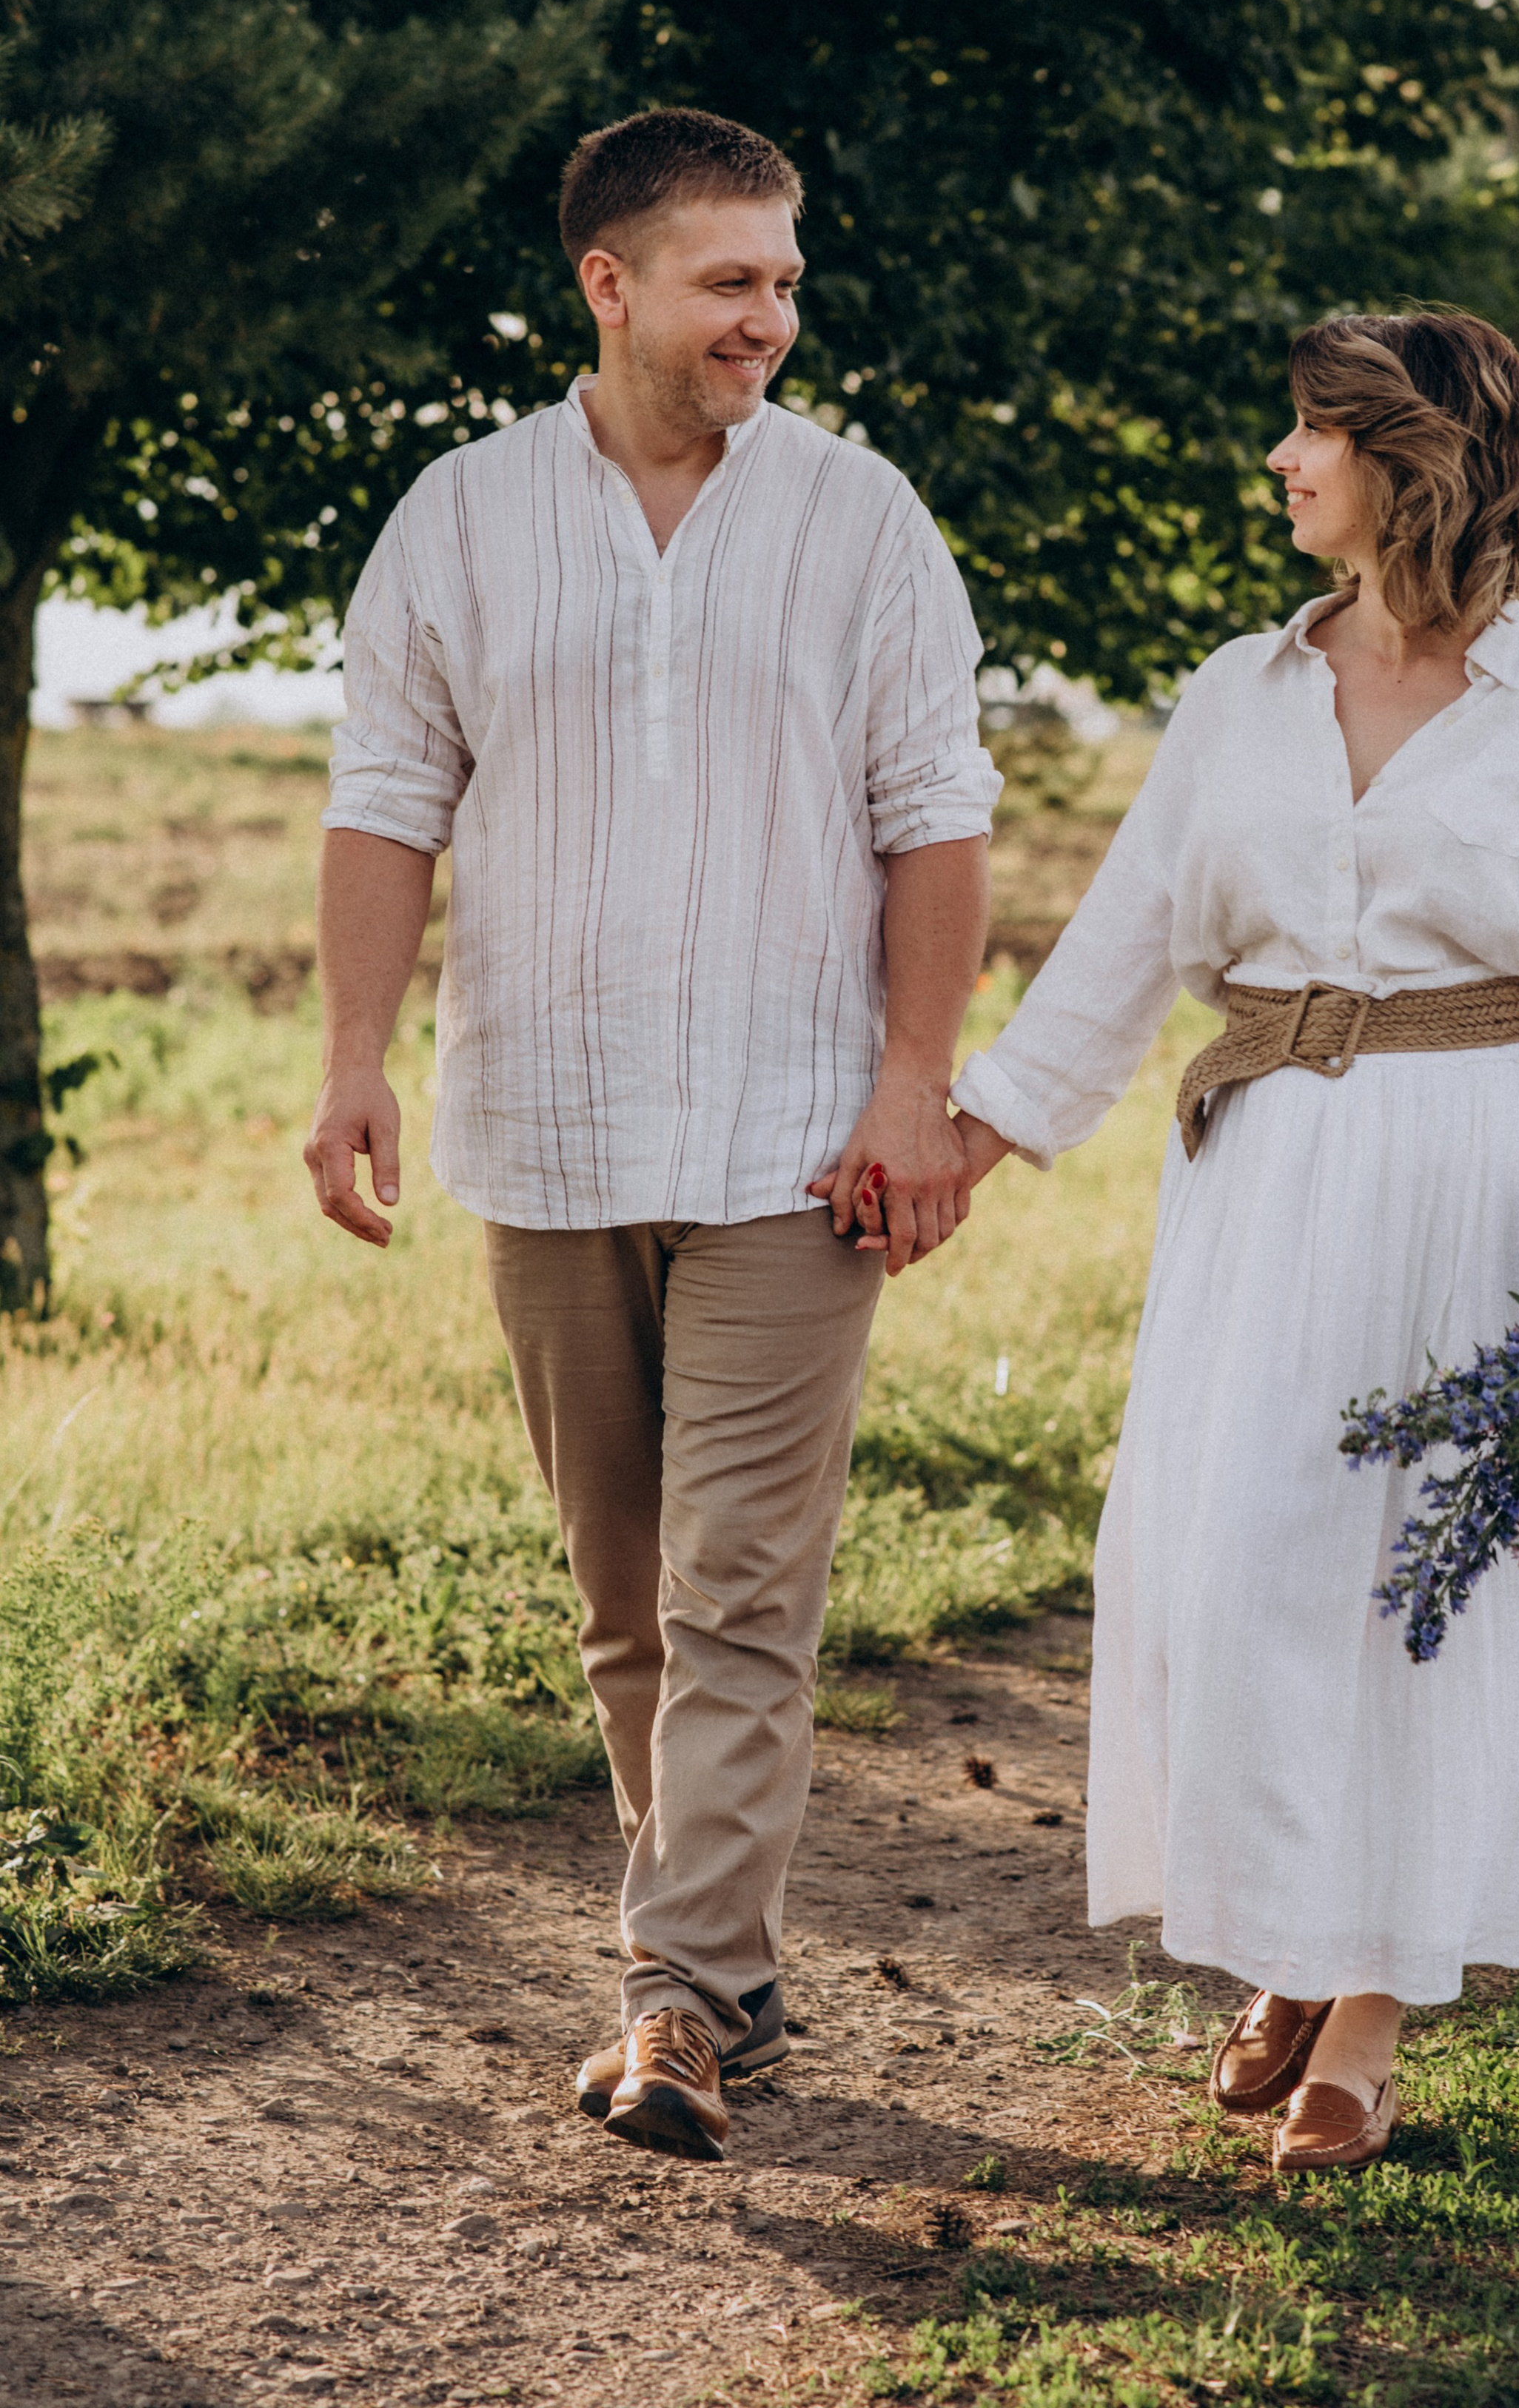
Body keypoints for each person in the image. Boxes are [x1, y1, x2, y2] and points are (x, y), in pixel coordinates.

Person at [305, 107, 999, 2163]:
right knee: (624, 1599)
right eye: (731, 281)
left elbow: (936, 819)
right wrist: (355, 1055)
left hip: (798, 1144)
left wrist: (912, 1081)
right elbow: (384, 796)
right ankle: (730, 1967)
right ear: (608, 284)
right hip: (545, 1122)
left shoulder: (864, 520)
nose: (770, 318)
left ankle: (676, 1997)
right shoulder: (461, 515)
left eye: (787, 280)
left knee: (739, 1591)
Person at [949, 309, 1519, 2173]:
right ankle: (1296, 1925)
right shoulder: (1238, 691)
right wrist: (968, 1133)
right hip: (1267, 1171)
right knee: (1232, 1571)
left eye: (1309, 435)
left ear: (1409, 460)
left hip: (1477, 1171)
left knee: (1425, 1597)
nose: (1278, 466)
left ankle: (1362, 2006)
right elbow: (1124, 940)